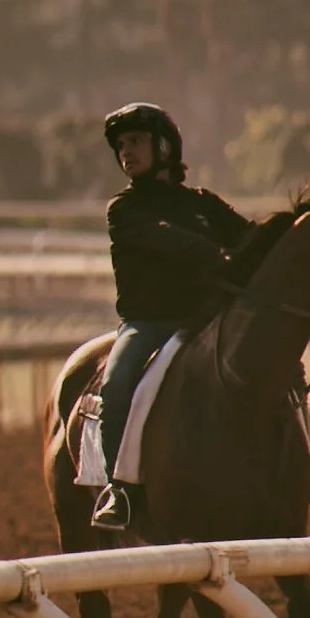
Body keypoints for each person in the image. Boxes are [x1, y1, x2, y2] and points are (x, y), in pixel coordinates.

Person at [90, 103, 251, 531]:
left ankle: (298, 466)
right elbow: (169, 240)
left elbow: (252, 237)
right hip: (148, 325)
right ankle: (119, 490)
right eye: (121, 145)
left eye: (135, 141)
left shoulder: (203, 204)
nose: (126, 151)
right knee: (116, 383)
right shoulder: (123, 209)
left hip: (210, 321)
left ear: (163, 147)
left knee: (279, 365)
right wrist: (213, 252)